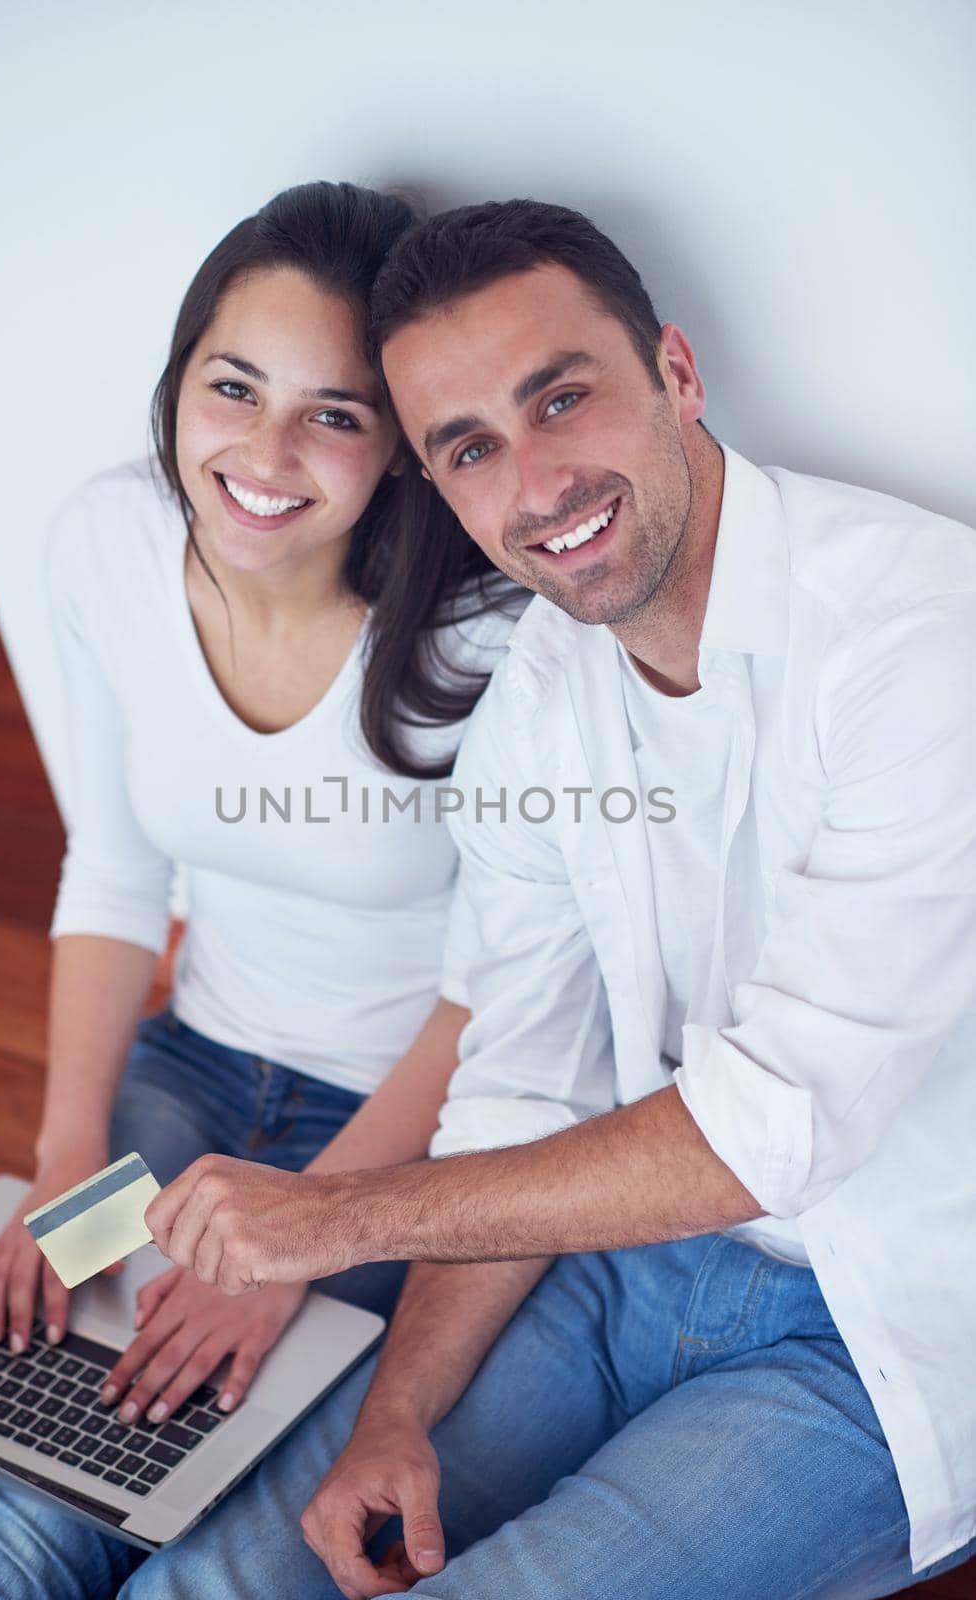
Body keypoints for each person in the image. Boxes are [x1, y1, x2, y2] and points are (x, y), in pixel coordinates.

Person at [124, 197, 976, 1600]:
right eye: (470, 448)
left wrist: (339, 1220)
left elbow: (775, 1129)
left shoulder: (918, 640)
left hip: (874, 1323)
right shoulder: (538, 694)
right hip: (606, 1259)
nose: (537, 484)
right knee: (217, 1578)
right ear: (442, 488)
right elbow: (518, 1084)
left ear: (678, 377)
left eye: (560, 400)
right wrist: (396, 1416)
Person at [0, 182, 523, 1597]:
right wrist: (68, 1162)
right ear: (177, 383)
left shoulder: (489, 635)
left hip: (391, 1141)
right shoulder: (108, 541)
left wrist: (307, 1234)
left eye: (336, 413)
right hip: (191, 1070)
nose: (263, 449)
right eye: (232, 386)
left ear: (402, 450)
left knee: (46, 1515)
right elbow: (117, 868)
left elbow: (498, 996)